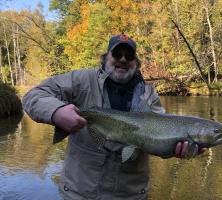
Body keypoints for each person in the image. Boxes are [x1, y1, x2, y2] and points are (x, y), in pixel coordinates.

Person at [22, 34, 206, 200]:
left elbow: (156, 140)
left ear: (136, 61)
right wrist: (57, 112)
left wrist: (172, 149)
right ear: (106, 58)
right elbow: (34, 96)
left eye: (129, 55)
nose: (123, 59)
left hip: (129, 195)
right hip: (79, 193)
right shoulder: (81, 80)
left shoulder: (149, 95)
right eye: (117, 54)